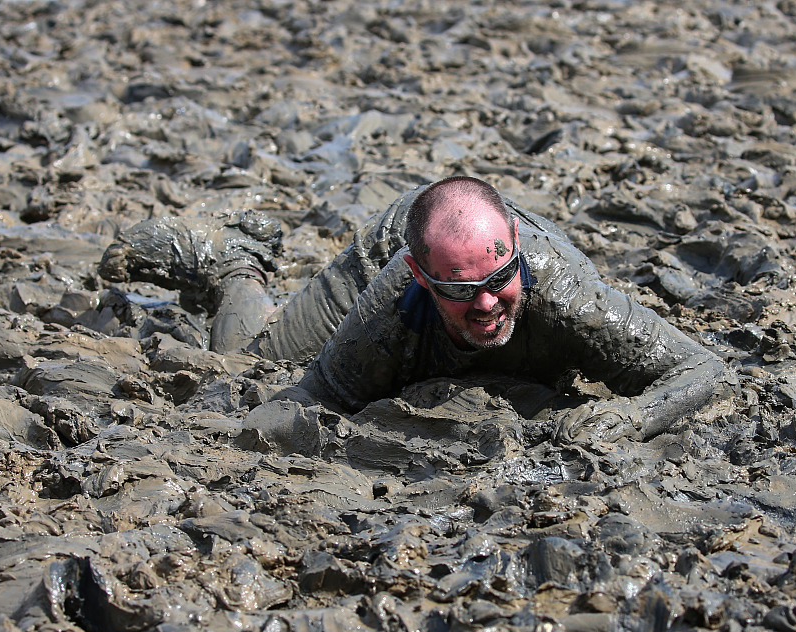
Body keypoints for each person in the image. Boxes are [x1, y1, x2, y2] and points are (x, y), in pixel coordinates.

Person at [99, 176, 729, 442]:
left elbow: (701, 368)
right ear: (423, 281)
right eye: (460, 292)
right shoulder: (393, 300)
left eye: (500, 281)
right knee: (246, 359)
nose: (486, 304)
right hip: (392, 245)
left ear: (514, 253)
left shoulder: (566, 294)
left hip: (468, 232)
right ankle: (235, 259)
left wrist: (632, 419)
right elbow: (311, 396)